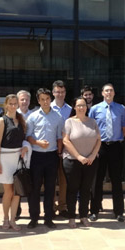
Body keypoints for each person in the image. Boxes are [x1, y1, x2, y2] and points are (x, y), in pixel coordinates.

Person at [88, 83, 125, 222]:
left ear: (114, 93)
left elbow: (124, 128)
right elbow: (90, 129)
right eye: (106, 91)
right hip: (100, 147)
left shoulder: (121, 109)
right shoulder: (94, 109)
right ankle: (94, 211)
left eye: (111, 90)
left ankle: (119, 212)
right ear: (102, 93)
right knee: (97, 180)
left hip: (115, 146)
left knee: (116, 180)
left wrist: (117, 140)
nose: (109, 93)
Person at [26, 88, 64, 229]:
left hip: (52, 156)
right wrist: (37, 142)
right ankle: (34, 218)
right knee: (34, 188)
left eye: (47, 99)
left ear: (50, 99)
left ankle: (48, 218)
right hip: (36, 156)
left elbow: (59, 137)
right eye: (42, 99)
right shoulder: (33, 116)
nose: (45, 101)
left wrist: (59, 152)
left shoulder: (58, 117)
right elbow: (28, 137)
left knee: (50, 188)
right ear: (38, 100)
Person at [62, 97, 101, 228]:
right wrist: (78, 156)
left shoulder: (92, 122)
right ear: (74, 107)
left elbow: (98, 140)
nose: (81, 108)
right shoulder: (69, 122)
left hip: (90, 161)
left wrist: (93, 155)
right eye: (78, 105)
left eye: (83, 105)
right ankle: (72, 216)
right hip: (72, 161)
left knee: (86, 190)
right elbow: (66, 141)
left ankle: (83, 215)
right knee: (72, 189)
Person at [0, 94, 29, 231]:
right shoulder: (2, 121)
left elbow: (24, 138)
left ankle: (13, 219)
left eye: (15, 103)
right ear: (6, 105)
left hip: (18, 158)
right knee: (8, 191)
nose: (13, 106)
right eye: (11, 103)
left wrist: (25, 147)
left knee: (17, 192)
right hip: (5, 158)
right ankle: (5, 218)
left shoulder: (21, 120)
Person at [51, 80, 71, 218]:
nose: (60, 94)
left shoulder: (70, 109)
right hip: (51, 149)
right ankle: (51, 206)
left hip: (67, 150)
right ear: (53, 92)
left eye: (62, 92)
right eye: (57, 91)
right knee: (51, 180)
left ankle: (63, 206)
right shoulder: (48, 108)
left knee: (64, 180)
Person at [15, 90, 35, 219]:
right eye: (22, 99)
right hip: (15, 152)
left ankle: (32, 212)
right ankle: (16, 211)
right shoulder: (13, 115)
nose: (24, 102)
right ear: (17, 101)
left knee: (29, 182)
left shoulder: (33, 115)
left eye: (26, 99)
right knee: (16, 182)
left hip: (31, 153)